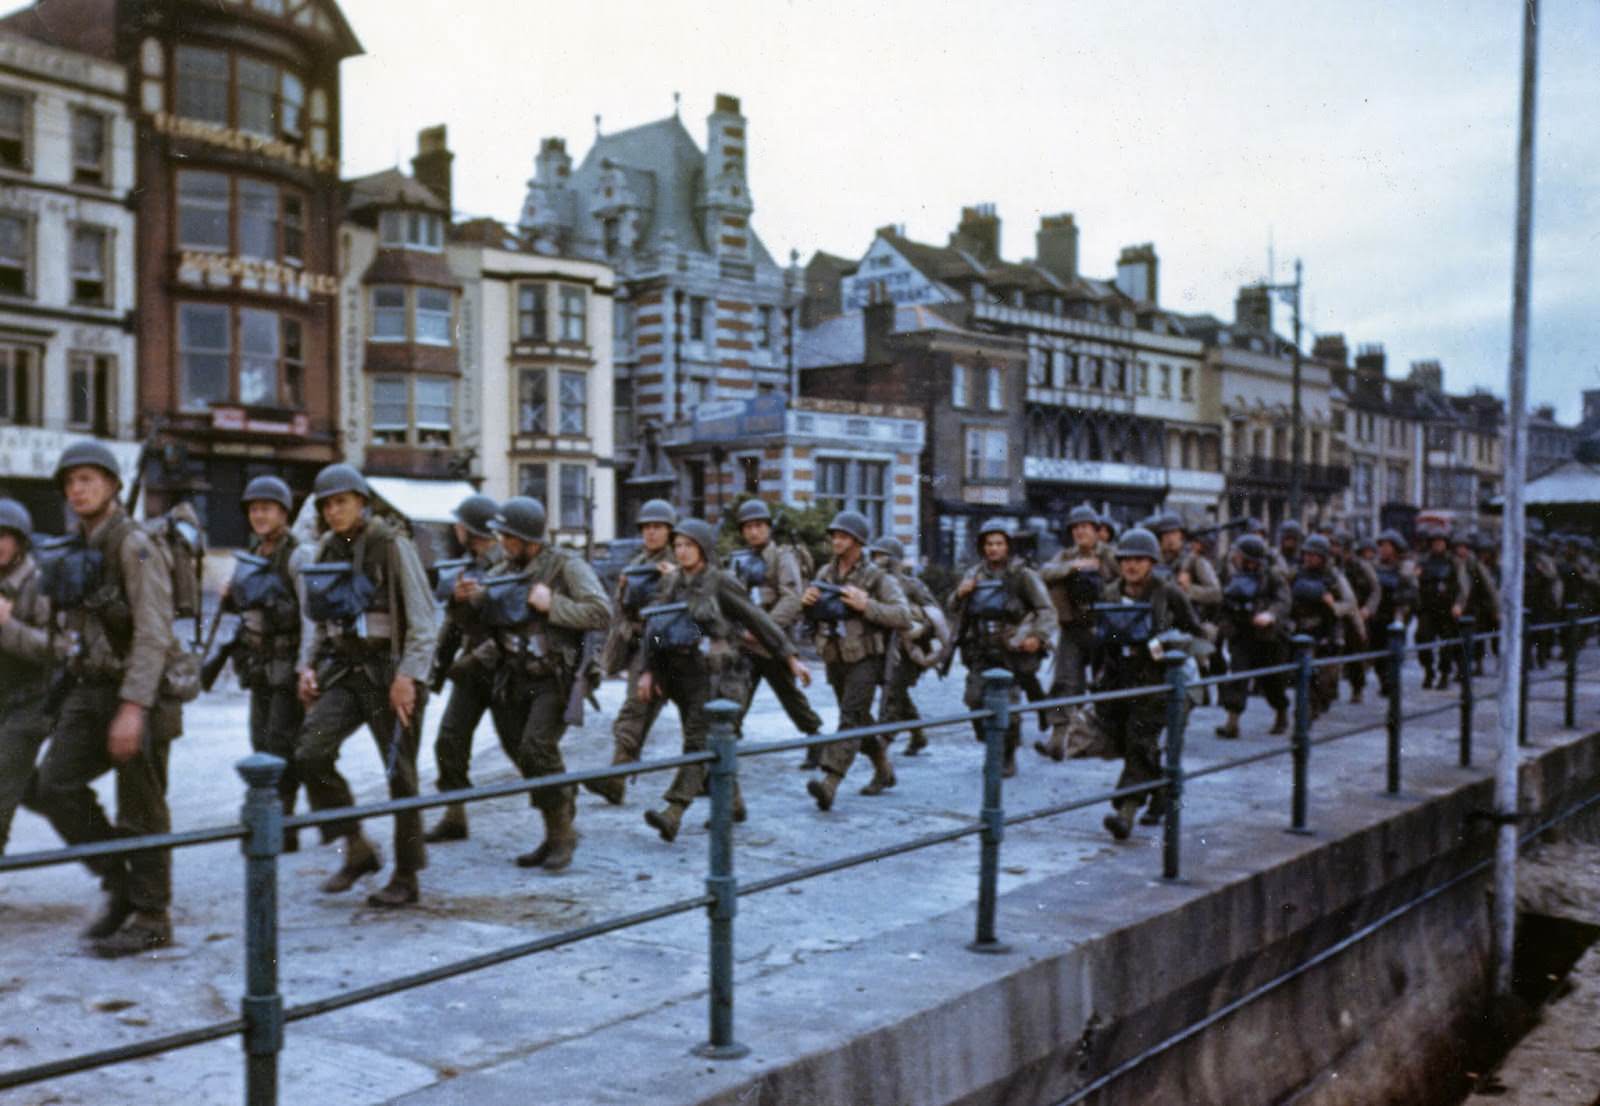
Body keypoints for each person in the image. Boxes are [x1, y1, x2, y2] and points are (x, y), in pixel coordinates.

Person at [30, 442, 184, 955]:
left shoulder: (134, 544)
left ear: (114, 486)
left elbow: (154, 633)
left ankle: (153, 912)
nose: (78, 490)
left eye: (89, 480)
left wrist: (133, 707)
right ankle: (119, 882)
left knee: (141, 802)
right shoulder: (77, 544)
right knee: (54, 784)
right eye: (71, 482)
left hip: (141, 688)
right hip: (91, 685)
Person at [294, 464, 438, 908]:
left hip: (391, 673)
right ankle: (356, 847)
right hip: (346, 671)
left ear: (361, 501)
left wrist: (408, 677)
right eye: (327, 505)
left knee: (402, 776)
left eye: (342, 501)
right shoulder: (326, 548)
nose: (334, 511)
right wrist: (309, 666)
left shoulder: (391, 545)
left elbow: (423, 618)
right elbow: (321, 618)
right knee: (309, 754)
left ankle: (407, 874)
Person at [636, 518, 808, 841]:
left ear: (702, 548)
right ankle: (733, 803)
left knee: (697, 742)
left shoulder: (720, 582)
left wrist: (790, 657)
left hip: (720, 676)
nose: (682, 552)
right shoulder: (672, 584)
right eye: (678, 547)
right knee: (709, 742)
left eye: (689, 546)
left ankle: (673, 811)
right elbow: (655, 630)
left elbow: (756, 620)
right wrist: (648, 670)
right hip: (683, 677)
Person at [477, 497, 610, 871]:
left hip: (554, 678)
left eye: (508, 535)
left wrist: (553, 604)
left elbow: (600, 611)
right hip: (513, 675)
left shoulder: (566, 566)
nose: (502, 541)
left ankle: (561, 837)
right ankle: (556, 827)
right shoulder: (504, 568)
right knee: (521, 752)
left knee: (537, 748)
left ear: (527, 538)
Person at [1094, 527, 1203, 840]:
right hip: (1121, 679)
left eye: (1140, 560)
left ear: (1152, 563)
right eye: (1126, 559)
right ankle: (1161, 794)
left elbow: (1196, 633)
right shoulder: (1111, 593)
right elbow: (1103, 639)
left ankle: (1125, 813)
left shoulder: (1167, 593)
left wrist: (1166, 645)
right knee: (1128, 740)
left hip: (1158, 681)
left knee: (1140, 741)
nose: (1132, 566)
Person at [801, 511, 912, 810]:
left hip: (867, 657)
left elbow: (903, 615)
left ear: (859, 542)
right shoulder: (826, 574)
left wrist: (867, 605)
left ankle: (830, 782)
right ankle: (883, 769)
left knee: (850, 718)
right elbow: (814, 614)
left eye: (844, 536)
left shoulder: (877, 577)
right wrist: (807, 603)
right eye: (834, 535)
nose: (837, 540)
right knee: (860, 718)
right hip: (835, 655)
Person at [226, 476, 313, 851]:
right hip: (259, 665)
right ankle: (272, 819)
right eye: (254, 509)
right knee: (259, 740)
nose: (259, 516)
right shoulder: (254, 554)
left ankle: (284, 825)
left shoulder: (297, 554)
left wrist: (305, 668)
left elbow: (311, 616)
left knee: (280, 745)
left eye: (267, 509)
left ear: (283, 512)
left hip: (287, 664)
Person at [946, 519, 1057, 777]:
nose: (994, 548)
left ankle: (1005, 755)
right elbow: (952, 608)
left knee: (1009, 708)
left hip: (1012, 650)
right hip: (980, 649)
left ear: (1008, 546)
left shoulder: (1022, 576)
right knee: (974, 701)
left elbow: (1046, 610)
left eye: (999, 543)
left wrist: (1037, 637)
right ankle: (993, 746)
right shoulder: (973, 575)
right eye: (989, 544)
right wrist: (961, 594)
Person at [585, 498, 677, 805]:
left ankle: (725, 792)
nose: (651, 533)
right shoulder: (637, 563)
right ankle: (617, 778)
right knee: (637, 709)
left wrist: (671, 578)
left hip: (669, 646)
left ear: (669, 531)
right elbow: (621, 611)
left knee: (696, 721)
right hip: (643, 644)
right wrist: (624, 590)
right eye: (646, 528)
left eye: (658, 527)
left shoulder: (677, 561)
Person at [423, 494, 504, 841]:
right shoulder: (467, 565)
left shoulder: (505, 564)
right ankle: (455, 815)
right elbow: (457, 624)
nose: (455, 529)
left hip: (506, 666)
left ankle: (559, 821)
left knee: (523, 748)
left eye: (460, 524)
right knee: (450, 741)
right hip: (472, 668)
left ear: (471, 530)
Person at [728, 498, 824, 765]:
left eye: (758, 525)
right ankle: (727, 748)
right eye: (747, 527)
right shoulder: (740, 560)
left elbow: (792, 598)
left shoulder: (783, 557)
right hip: (745, 643)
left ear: (768, 528)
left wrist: (763, 630)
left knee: (789, 696)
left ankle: (815, 738)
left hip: (773, 642)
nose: (753, 531)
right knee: (736, 696)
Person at [1035, 504, 1117, 760]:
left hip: (1104, 628)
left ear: (1096, 530)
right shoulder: (1066, 556)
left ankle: (1100, 739)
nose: (1080, 532)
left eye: (1085, 527)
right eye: (1076, 528)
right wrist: (1074, 567)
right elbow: (1044, 573)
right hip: (1073, 628)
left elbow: (1123, 580)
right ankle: (1058, 741)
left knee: (1105, 684)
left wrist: (1101, 579)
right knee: (1064, 683)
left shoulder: (1109, 555)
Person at [0, 498, 58, 855]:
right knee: (37, 790)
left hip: (30, 703)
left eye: (6, 536)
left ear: (21, 542)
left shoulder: (40, 582)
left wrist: (7, 627)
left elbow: (57, 647)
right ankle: (103, 852)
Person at [1214, 534, 1292, 738]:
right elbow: (1223, 605)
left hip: (1269, 638)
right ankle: (1232, 722)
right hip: (1243, 635)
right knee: (1238, 677)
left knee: (1273, 682)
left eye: (1239, 555)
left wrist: (1270, 615)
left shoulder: (1272, 576)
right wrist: (1226, 626)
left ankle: (1281, 714)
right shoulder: (1233, 576)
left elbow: (1284, 601)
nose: (1235, 558)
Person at [868, 536, 940, 756]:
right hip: (881, 648)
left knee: (891, 696)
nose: (877, 561)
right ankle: (918, 735)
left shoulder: (912, 585)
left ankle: (882, 751)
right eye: (875, 556)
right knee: (896, 693)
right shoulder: (872, 583)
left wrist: (919, 629)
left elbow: (935, 615)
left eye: (882, 556)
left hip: (906, 651)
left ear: (894, 560)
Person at [1287, 535, 1358, 718]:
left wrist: (1333, 605)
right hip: (1303, 629)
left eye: (1314, 555)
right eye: (1307, 554)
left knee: (1326, 679)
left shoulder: (1334, 577)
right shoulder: (1296, 574)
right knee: (1303, 672)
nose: (1308, 558)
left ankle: (1318, 702)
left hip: (1328, 630)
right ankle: (1305, 708)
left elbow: (1350, 602)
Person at [1413, 525, 1470, 689]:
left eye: (1441, 542)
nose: (1438, 545)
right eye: (1435, 542)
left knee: (1447, 643)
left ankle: (1444, 674)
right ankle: (1428, 670)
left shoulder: (1454, 562)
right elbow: (1413, 583)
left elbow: (1463, 586)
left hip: (1447, 609)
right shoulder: (1423, 561)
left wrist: (1459, 605)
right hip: (1428, 608)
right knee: (1422, 637)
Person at [1332, 530, 1380, 704]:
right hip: (1337, 612)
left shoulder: (1361, 566)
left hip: (1357, 614)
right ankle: (1331, 688)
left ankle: (1357, 688)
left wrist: (1368, 608)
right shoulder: (1331, 567)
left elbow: (1375, 589)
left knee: (1356, 650)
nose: (1334, 549)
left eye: (1337, 545)